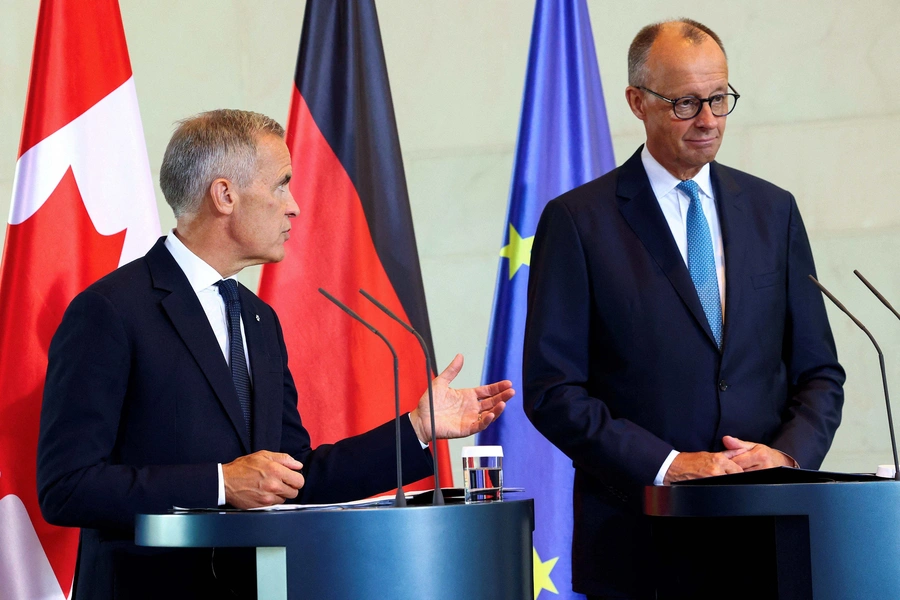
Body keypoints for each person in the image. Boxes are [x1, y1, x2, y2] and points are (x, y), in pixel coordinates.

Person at [36, 109, 512, 599]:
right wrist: (220, 485)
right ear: (225, 195)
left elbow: (295, 477)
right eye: (281, 184)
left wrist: (416, 428)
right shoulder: (110, 311)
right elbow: (67, 488)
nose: (295, 207)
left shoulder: (259, 319)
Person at [522, 19, 844, 599]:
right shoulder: (578, 222)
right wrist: (670, 464)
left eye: (720, 99)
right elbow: (554, 391)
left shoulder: (774, 210)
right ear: (637, 102)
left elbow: (819, 372)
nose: (708, 120)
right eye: (686, 103)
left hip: (769, 543)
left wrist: (787, 457)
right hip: (642, 545)